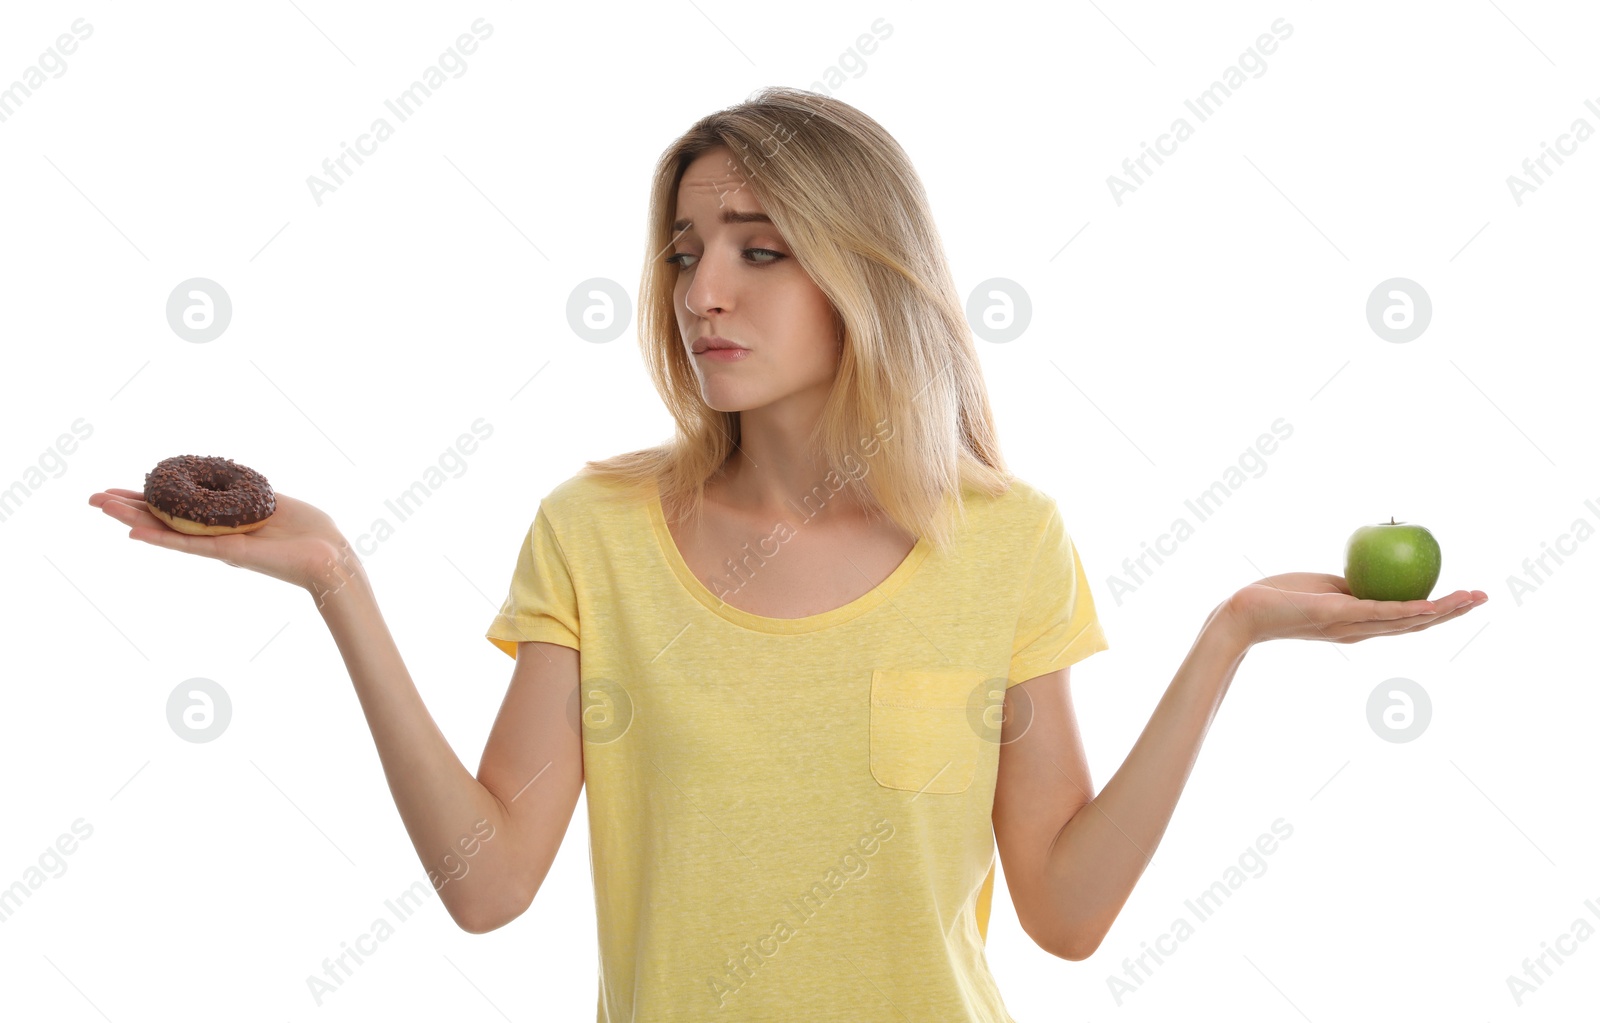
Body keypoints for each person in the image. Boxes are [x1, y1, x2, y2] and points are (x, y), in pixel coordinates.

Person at [89, 86, 1486, 1022]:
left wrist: (1230, 636)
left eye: (759, 250)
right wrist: (341, 590)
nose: (702, 291)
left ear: (863, 269)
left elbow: (1062, 912)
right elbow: (487, 883)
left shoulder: (1007, 544)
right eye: (686, 250)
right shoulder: (598, 535)